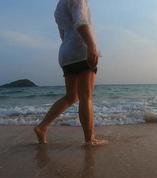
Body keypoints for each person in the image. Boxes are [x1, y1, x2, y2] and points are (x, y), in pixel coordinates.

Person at [34, 0, 108, 146]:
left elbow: (62, 33)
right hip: (80, 49)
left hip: (66, 52)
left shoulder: (59, 5)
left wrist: (70, 47)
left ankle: (42, 127)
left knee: (71, 96)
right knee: (86, 97)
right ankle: (90, 139)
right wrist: (91, 45)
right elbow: (81, 22)